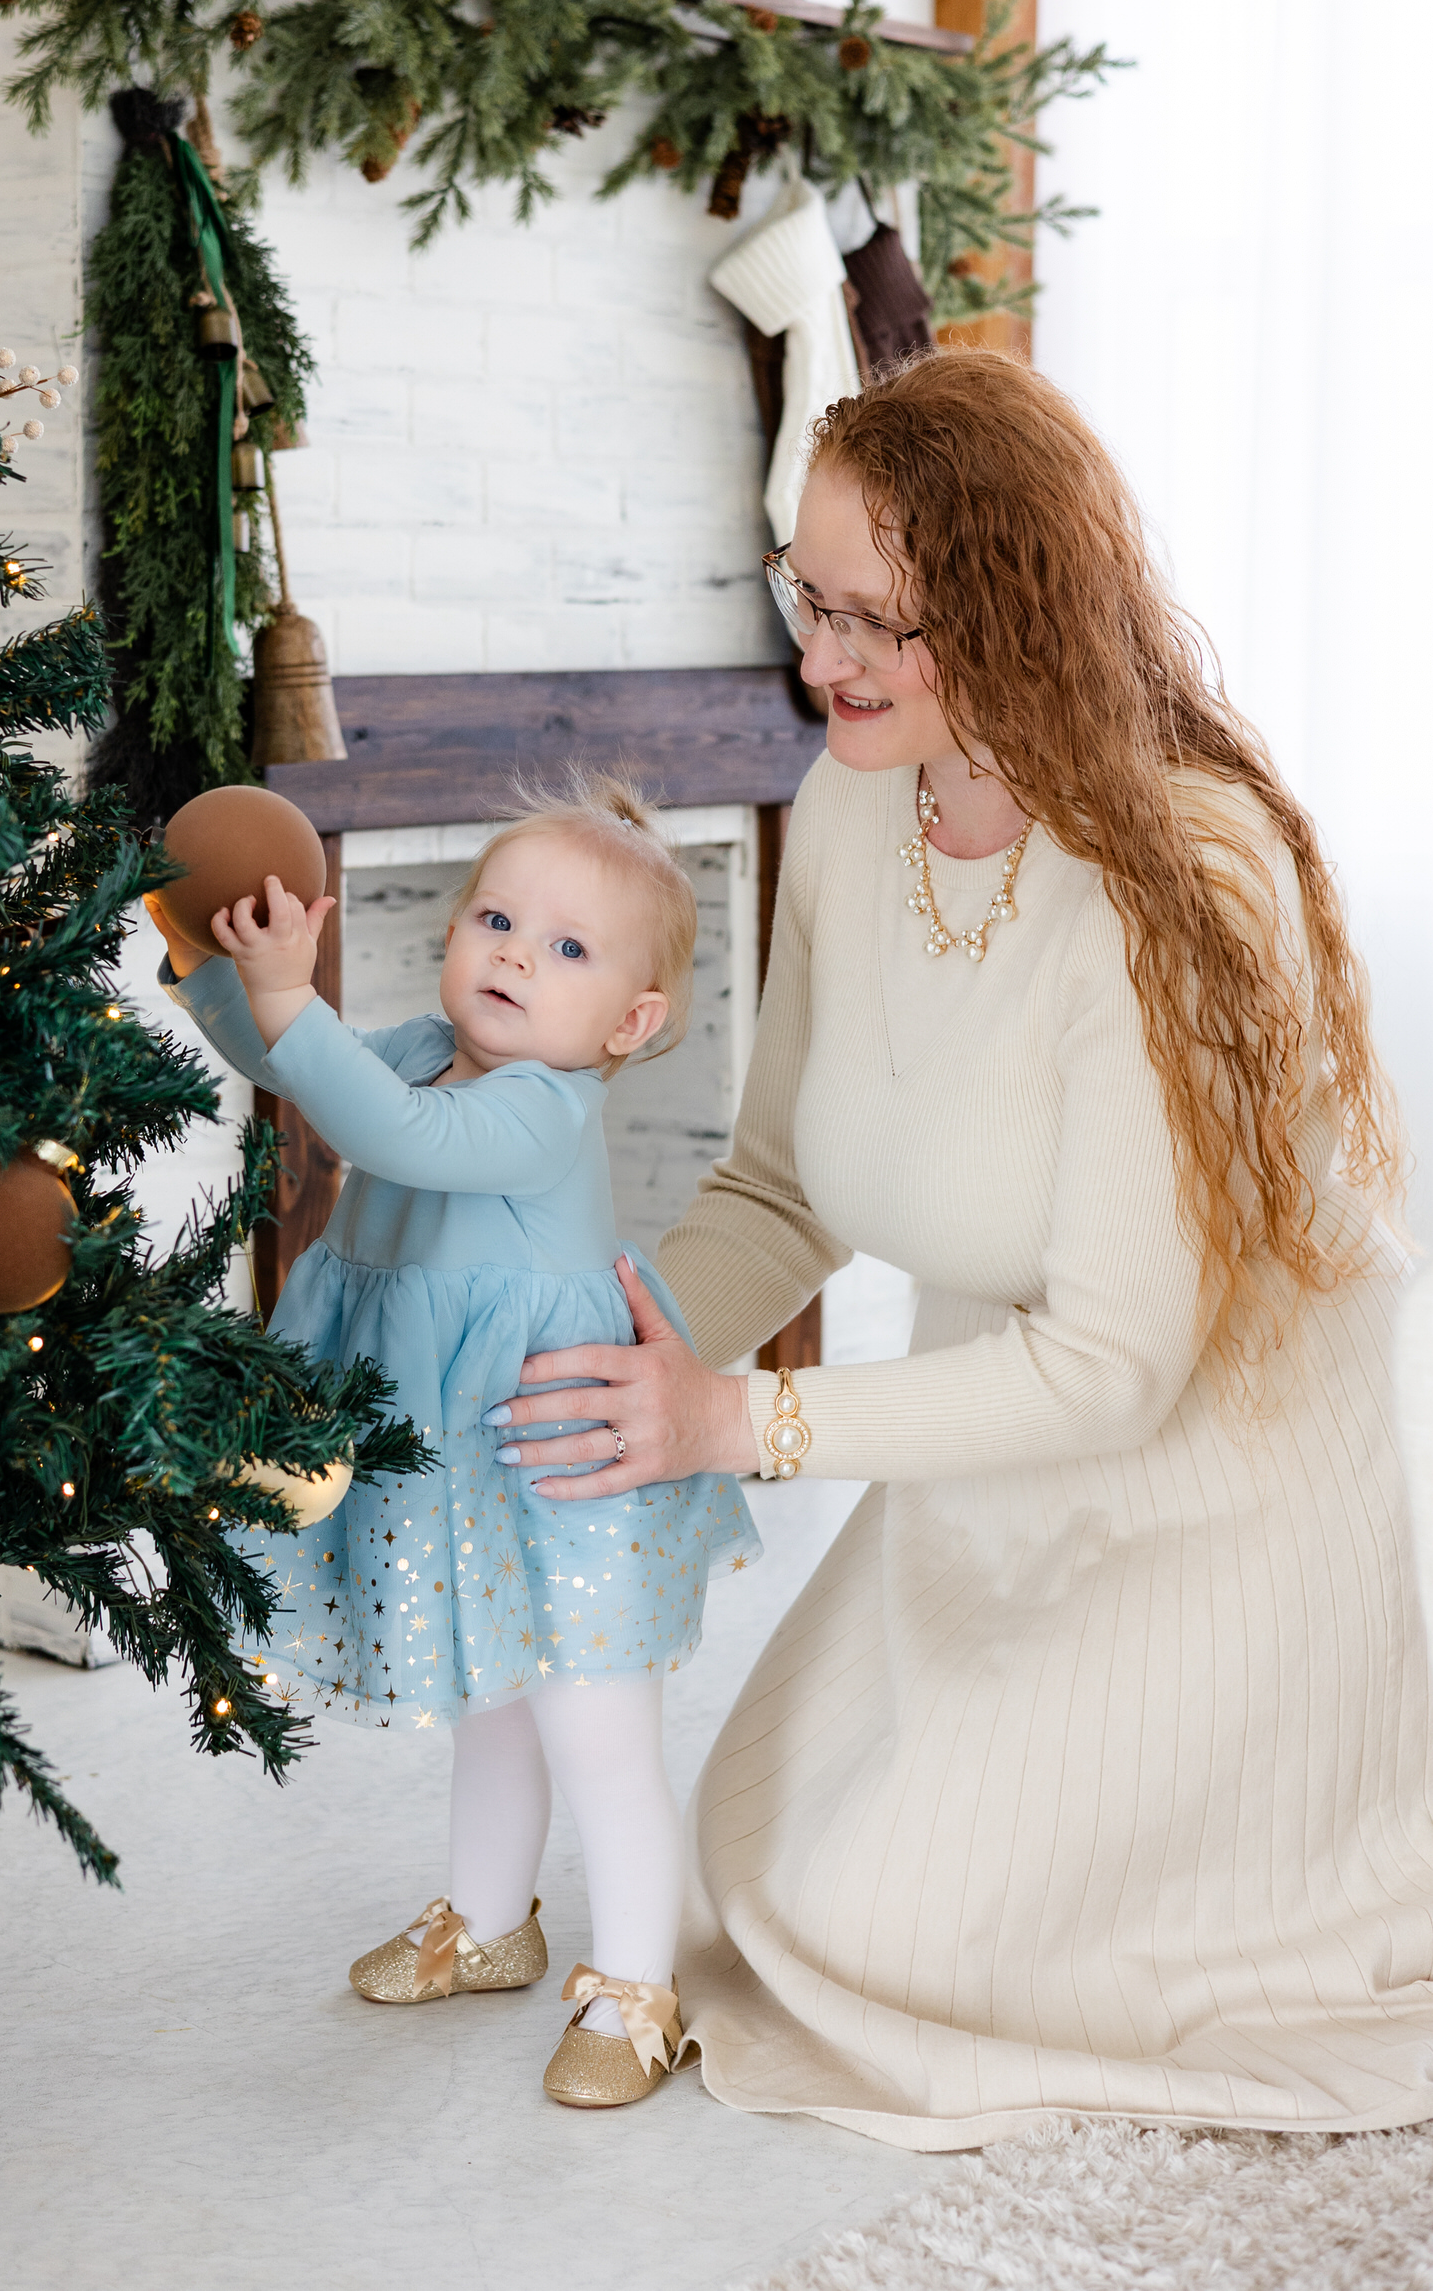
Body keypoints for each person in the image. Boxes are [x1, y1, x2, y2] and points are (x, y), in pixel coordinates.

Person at [490, 349, 1433, 2149]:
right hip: (989, 1492)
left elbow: (1110, 1366)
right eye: (805, 596)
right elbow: (779, 1188)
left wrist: (733, 1429)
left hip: (1204, 1505)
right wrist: (593, 1357)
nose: (818, 661)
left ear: (1012, 607)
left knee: (894, 1945)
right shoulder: (860, 795)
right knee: (769, 1873)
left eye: (871, 620)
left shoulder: (1184, 874)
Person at [147, 774, 757, 2111]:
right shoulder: (433, 1045)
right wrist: (217, 964)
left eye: (569, 948)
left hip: (558, 1458)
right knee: (491, 1706)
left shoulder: (539, 1106)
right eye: (496, 917)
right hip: (457, 1456)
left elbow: (382, 1128)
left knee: (594, 1727)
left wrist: (294, 1004)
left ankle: (639, 1982)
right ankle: (489, 1923)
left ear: (630, 1025)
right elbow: (288, 1056)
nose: (515, 955)